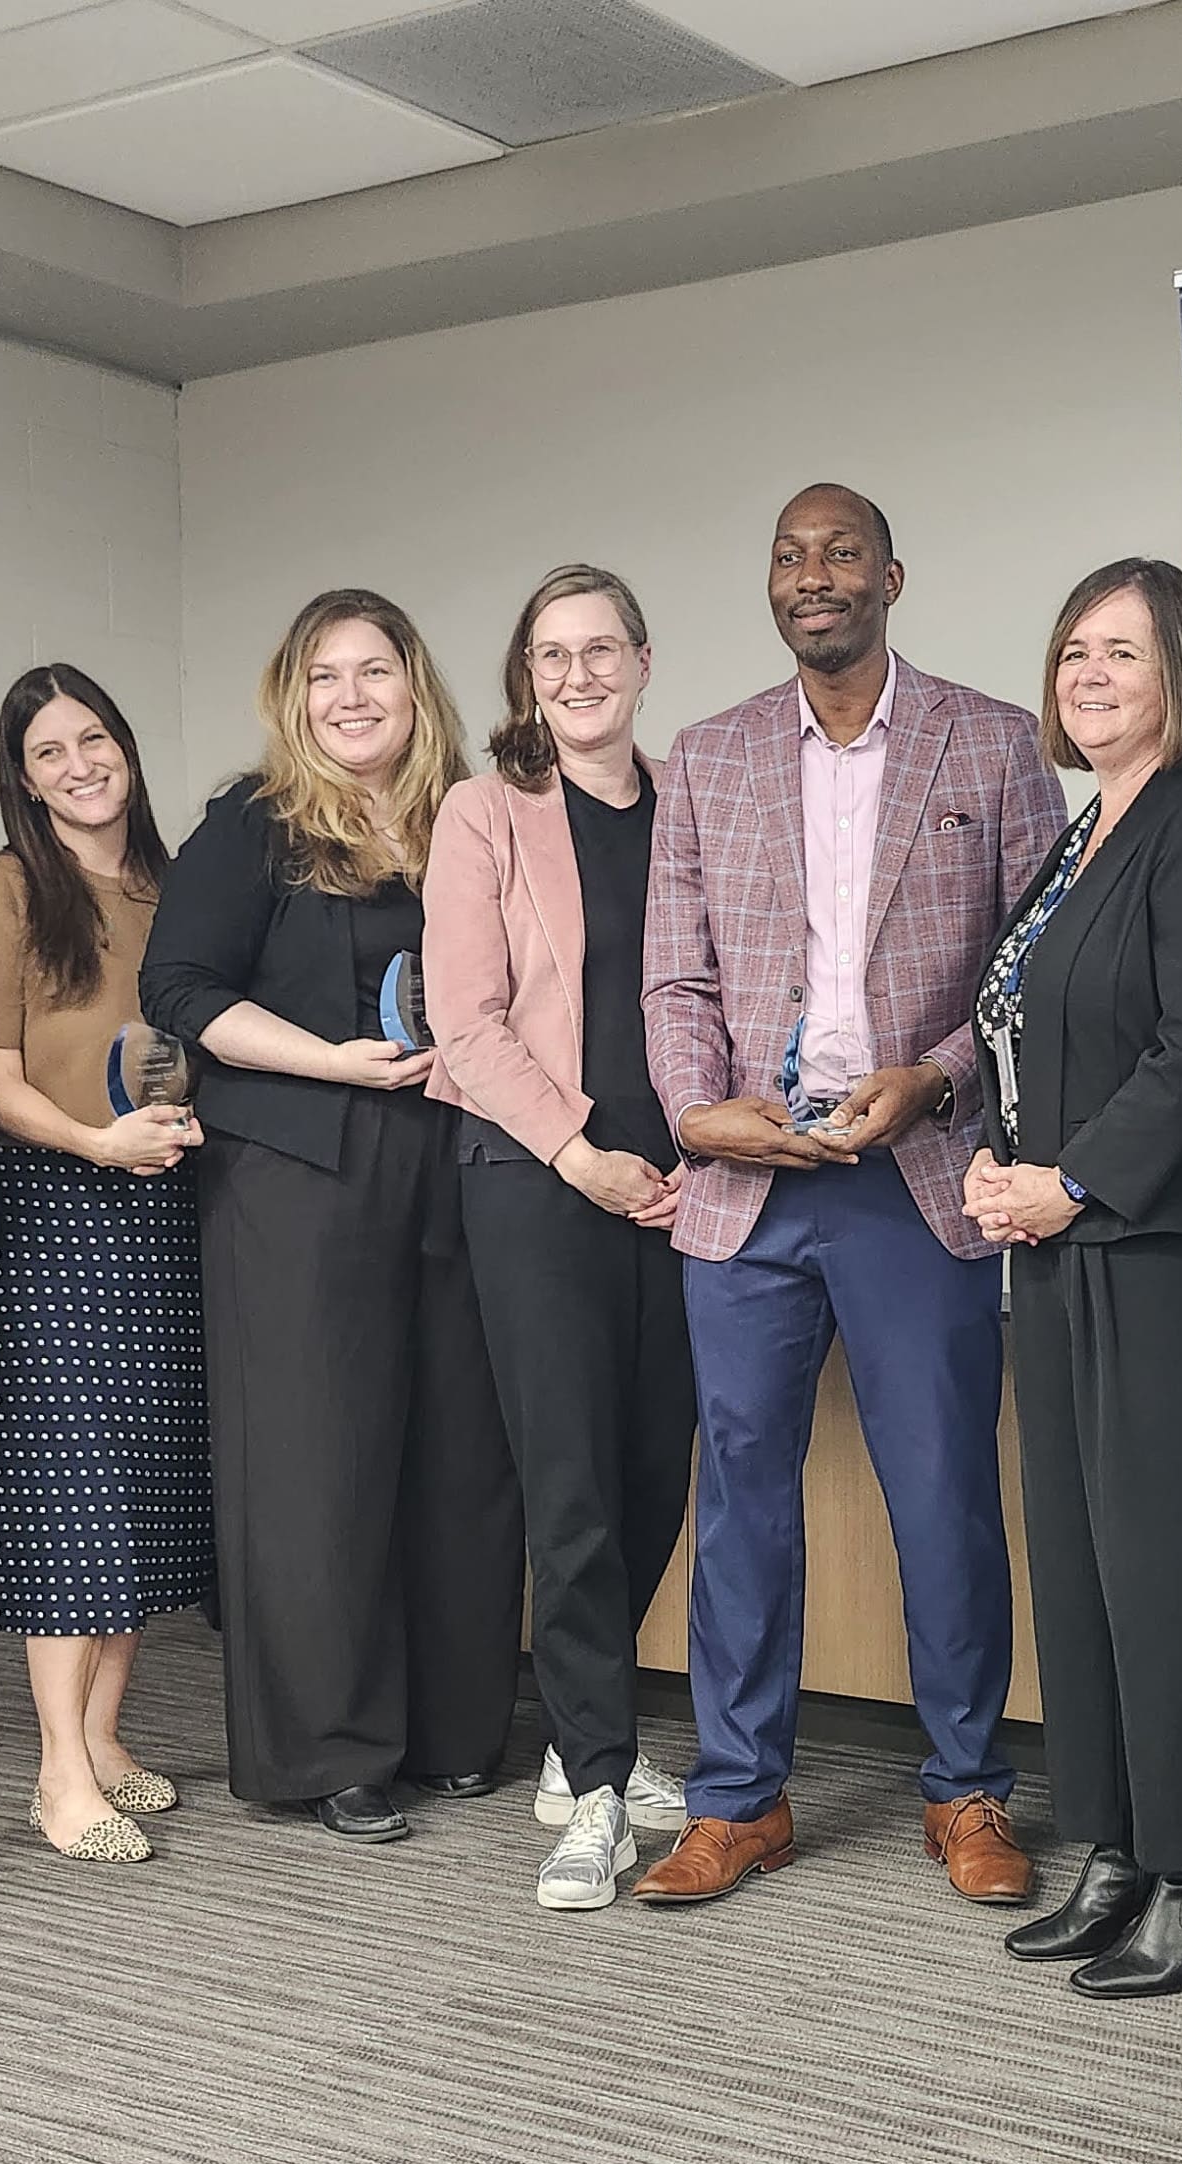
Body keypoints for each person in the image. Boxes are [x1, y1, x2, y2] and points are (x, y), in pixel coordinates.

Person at [633, 483, 1064, 1908]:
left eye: (837, 554)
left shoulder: (994, 744)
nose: (811, 576)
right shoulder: (705, 756)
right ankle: (739, 1797)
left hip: (913, 1177)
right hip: (745, 1188)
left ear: (889, 574)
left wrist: (933, 1077)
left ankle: (967, 1790)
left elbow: (1026, 967)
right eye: (786, 556)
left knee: (941, 1492)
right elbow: (676, 972)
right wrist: (700, 1110)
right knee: (741, 1496)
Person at [139, 588, 523, 1845]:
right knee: (319, 1461)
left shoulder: (469, 813)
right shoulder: (254, 823)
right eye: (323, 676)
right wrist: (327, 1058)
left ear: (419, 686)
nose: (351, 697)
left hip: (457, 1157)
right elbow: (179, 986)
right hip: (302, 1163)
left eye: (375, 671)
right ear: (291, 697)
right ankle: (333, 1749)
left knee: (459, 1450)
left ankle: (458, 1726)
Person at [963, 559, 1182, 1996]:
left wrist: (1072, 1177)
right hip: (1054, 1251)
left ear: (1178, 683)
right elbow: (1018, 1026)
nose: (1088, 674)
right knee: (1085, 1567)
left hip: (1168, 1260)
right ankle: (1114, 1846)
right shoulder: (1078, 832)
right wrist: (992, 1160)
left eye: (1123, 652)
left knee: (1174, 1571)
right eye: (1072, 651)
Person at [424, 565, 696, 1913]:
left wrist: (688, 1153)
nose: (577, 672)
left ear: (643, 662)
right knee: (573, 1483)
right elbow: (463, 1021)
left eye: (601, 648)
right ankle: (593, 1780)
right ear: (526, 674)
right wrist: (579, 1147)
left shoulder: (691, 803)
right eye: (551, 652)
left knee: (656, 1470)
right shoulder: (486, 812)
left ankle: (579, 1733)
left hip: (684, 1183)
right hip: (537, 1174)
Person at [0, 665, 214, 1865]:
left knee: (145, 1491)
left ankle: (107, 1739)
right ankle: (58, 1774)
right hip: (51, 1204)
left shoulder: (178, 884)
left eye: (93, 738)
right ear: (23, 776)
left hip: (165, 1200)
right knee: (73, 1494)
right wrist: (98, 1142)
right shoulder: (7, 887)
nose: (78, 764)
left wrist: (170, 1131)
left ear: (126, 747)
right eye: (48, 751)